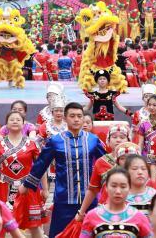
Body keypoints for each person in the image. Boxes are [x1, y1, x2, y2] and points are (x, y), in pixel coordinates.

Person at [19, 102, 106, 238]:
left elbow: (105, 163)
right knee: (60, 234)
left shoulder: (93, 140)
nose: (76, 119)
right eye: (72, 116)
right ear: (65, 118)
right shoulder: (55, 141)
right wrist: (27, 185)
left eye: (79, 116)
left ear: (83, 119)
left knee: (90, 233)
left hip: (89, 199)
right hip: (63, 198)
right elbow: (41, 163)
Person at [79, 168, 152, 238]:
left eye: (123, 187)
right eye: (114, 186)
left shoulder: (139, 217)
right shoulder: (92, 216)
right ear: (106, 187)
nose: (118, 191)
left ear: (129, 188)